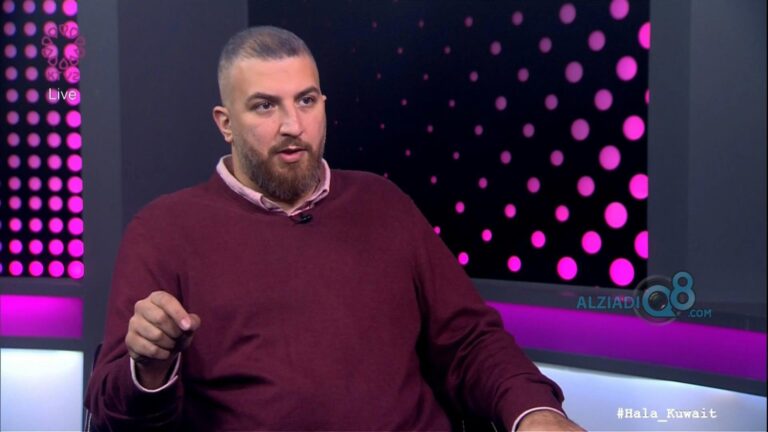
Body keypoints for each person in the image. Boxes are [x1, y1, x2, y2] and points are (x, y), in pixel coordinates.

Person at [85, 26, 585, 431]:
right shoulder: (164, 230)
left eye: (306, 101)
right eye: (265, 106)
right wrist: (149, 368)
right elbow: (110, 410)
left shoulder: (382, 203)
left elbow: (469, 340)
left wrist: (534, 412)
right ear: (225, 123)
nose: (292, 125)